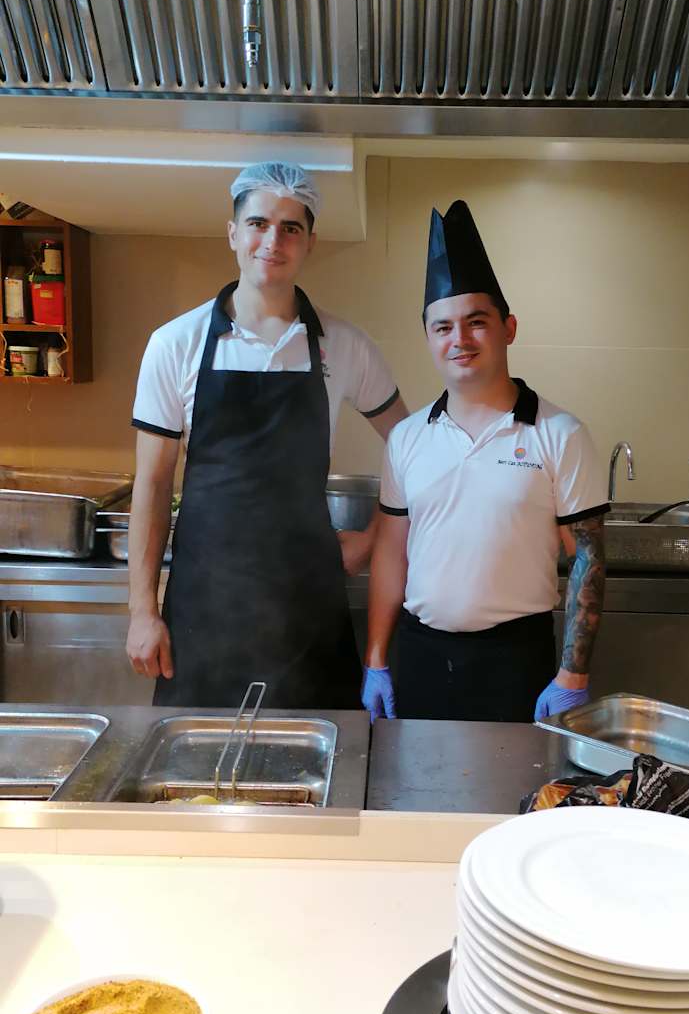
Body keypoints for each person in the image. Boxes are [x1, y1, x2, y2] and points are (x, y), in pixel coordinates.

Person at [126, 162, 407, 710]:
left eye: (290, 227)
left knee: (320, 758)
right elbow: (153, 485)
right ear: (233, 233)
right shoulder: (175, 344)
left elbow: (413, 445)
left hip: (308, 611)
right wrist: (143, 611)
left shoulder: (344, 345)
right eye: (258, 223)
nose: (272, 241)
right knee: (195, 759)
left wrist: (374, 537)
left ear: (310, 242)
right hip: (204, 609)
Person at [361, 200, 607, 724]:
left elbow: (588, 556)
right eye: (443, 327)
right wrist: (376, 659)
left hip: (517, 659)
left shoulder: (560, 433)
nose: (460, 340)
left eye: (476, 322)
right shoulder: (406, 438)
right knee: (417, 779)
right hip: (422, 656)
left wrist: (573, 674)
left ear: (508, 327)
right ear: (428, 337)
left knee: (517, 781)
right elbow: (391, 554)